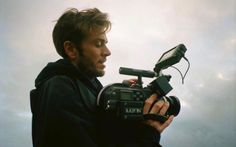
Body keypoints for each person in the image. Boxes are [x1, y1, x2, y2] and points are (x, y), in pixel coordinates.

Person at [30, 8, 174, 147]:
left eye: (105, 44)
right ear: (71, 49)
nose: (107, 52)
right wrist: (149, 134)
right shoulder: (60, 87)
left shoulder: (89, 89)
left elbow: (103, 137)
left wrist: (122, 98)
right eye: (98, 44)